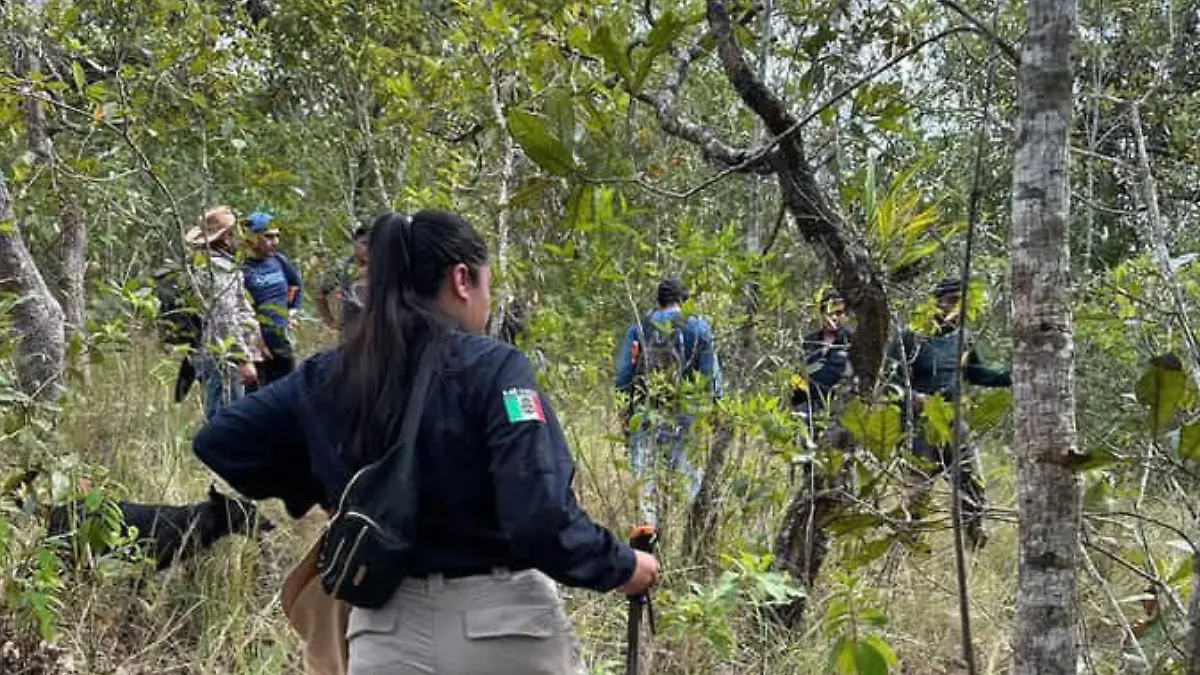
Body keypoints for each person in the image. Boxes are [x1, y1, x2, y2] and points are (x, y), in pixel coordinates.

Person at [193, 210, 659, 675]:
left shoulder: (335, 372)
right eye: (487, 286)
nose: (487, 301)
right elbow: (539, 515)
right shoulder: (495, 368)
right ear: (462, 279)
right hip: (506, 629)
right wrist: (621, 566)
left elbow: (222, 439)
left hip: (384, 634)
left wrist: (333, 489)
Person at [885, 277, 1011, 549]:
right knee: (917, 491)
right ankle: (904, 547)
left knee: (972, 484)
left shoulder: (962, 337)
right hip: (920, 427)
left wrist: (1012, 375)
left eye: (961, 301)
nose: (957, 307)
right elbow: (886, 383)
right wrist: (912, 398)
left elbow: (975, 372)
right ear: (936, 303)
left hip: (956, 423)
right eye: (952, 300)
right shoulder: (911, 336)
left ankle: (974, 544)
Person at [614, 277, 722, 528]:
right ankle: (697, 537)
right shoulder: (699, 328)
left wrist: (625, 410)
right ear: (683, 301)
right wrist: (715, 411)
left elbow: (623, 376)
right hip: (684, 414)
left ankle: (647, 547)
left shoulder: (640, 327)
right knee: (687, 478)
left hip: (645, 412)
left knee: (646, 486)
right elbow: (711, 378)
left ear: (659, 301)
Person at [185, 206, 262, 420]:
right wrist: (242, 359)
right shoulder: (217, 270)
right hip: (222, 359)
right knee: (227, 420)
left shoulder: (214, 265)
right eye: (236, 231)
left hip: (214, 355)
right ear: (226, 237)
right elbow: (225, 319)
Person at [242, 211, 303, 390]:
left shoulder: (279, 261)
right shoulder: (242, 268)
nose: (275, 242)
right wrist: (255, 341)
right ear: (252, 237)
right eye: (268, 236)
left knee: (288, 391)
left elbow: (295, 285)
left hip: (280, 339)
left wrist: (292, 311)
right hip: (255, 345)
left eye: (277, 236)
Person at [316, 224, 370, 333]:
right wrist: (331, 322)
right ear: (354, 243)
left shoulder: (382, 267)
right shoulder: (342, 268)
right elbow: (320, 295)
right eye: (365, 243)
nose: (369, 249)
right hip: (350, 335)